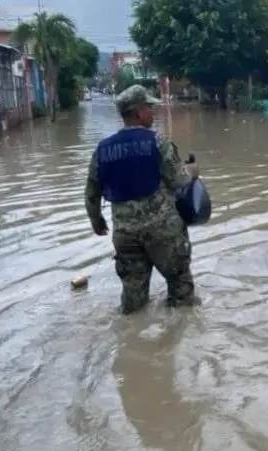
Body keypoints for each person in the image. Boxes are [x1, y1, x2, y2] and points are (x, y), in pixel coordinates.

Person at [84, 84, 198, 314]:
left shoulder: (103, 149)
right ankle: (179, 336)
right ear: (138, 112)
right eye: (149, 107)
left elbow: (91, 192)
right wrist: (193, 170)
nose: (153, 112)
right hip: (162, 230)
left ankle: (133, 343)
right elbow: (179, 181)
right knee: (180, 288)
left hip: (125, 234)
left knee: (133, 297)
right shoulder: (157, 142)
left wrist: (96, 221)